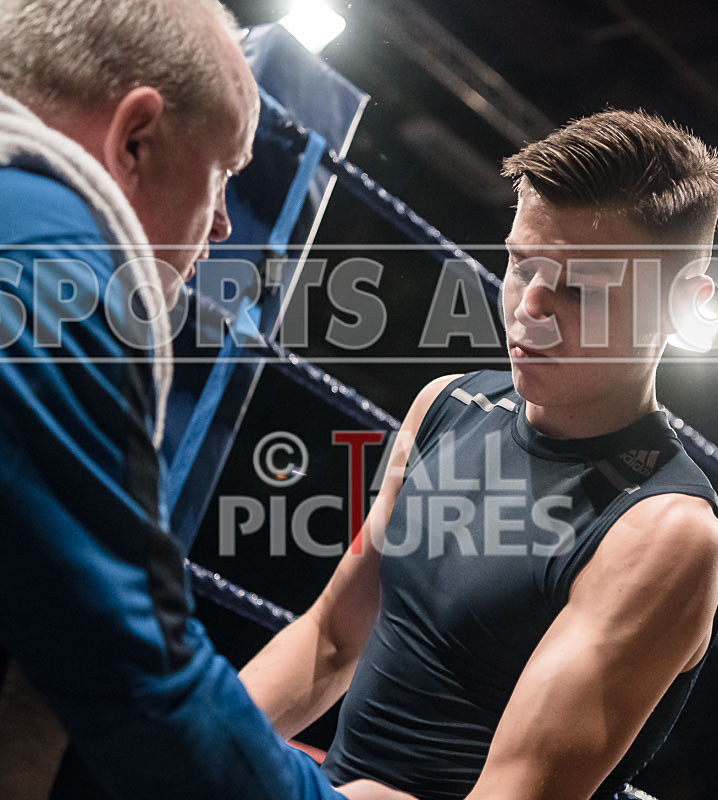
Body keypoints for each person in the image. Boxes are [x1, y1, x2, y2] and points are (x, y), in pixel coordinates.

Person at [239, 109, 718, 799]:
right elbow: (330, 639)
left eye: (581, 289)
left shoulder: (664, 533)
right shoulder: (448, 405)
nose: (530, 308)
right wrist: (201, 740)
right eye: (521, 265)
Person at [0, 1, 415, 799]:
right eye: (225, 172)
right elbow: (128, 672)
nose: (226, 223)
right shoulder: (61, 277)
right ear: (136, 138)